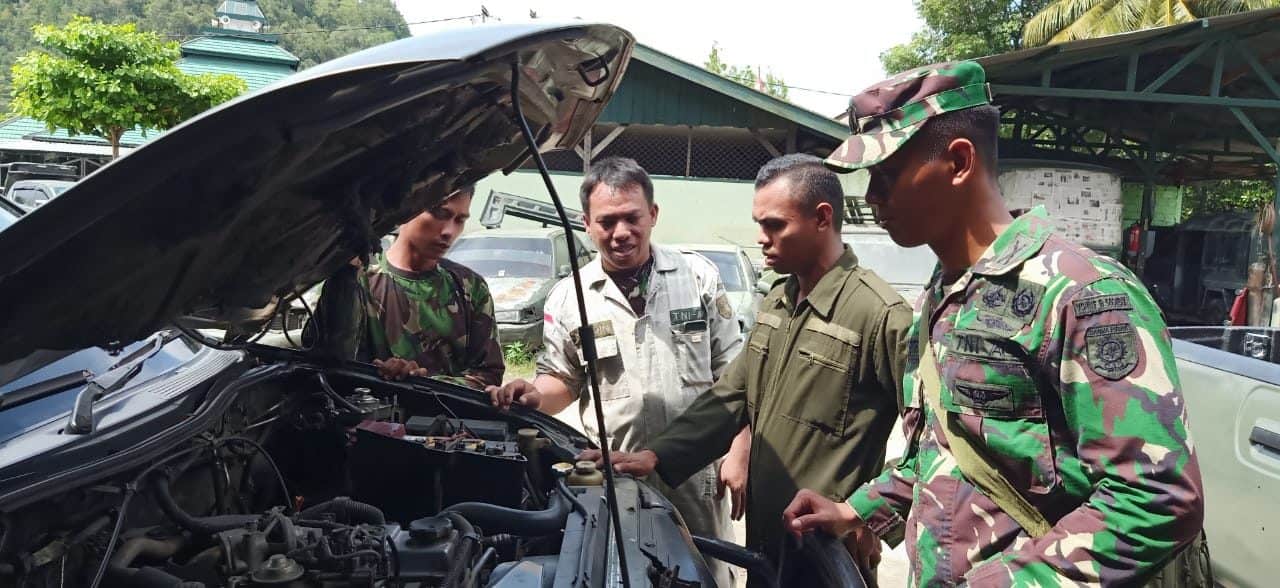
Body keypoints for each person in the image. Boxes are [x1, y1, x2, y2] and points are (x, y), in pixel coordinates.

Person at [784, 61, 1205, 586]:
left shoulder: (1081, 292)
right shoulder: (944, 294)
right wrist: (858, 510)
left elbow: (1158, 498)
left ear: (959, 161)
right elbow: (947, 452)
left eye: (887, 175)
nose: (872, 198)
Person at [575, 154, 912, 575]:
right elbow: (733, 393)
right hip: (769, 540)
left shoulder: (879, 315)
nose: (761, 238)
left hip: (827, 552)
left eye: (774, 225)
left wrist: (860, 511)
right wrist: (656, 456)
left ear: (822, 218)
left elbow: (939, 447)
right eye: (759, 224)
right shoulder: (778, 303)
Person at [486, 157, 746, 586]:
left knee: (704, 571)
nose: (621, 232)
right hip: (614, 470)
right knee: (624, 572)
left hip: (694, 472)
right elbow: (562, 380)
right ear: (587, 224)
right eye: (607, 222)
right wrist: (532, 395)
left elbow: (736, 377)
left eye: (632, 218)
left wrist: (739, 451)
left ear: (654, 215)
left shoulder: (697, 276)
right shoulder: (570, 296)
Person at [314, 183, 504, 388]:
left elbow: (488, 376)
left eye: (460, 220)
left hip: (450, 417)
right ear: (407, 210)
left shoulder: (469, 286)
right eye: (439, 213)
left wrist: (423, 383)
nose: (449, 231)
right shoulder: (357, 279)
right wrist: (386, 374)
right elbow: (331, 367)